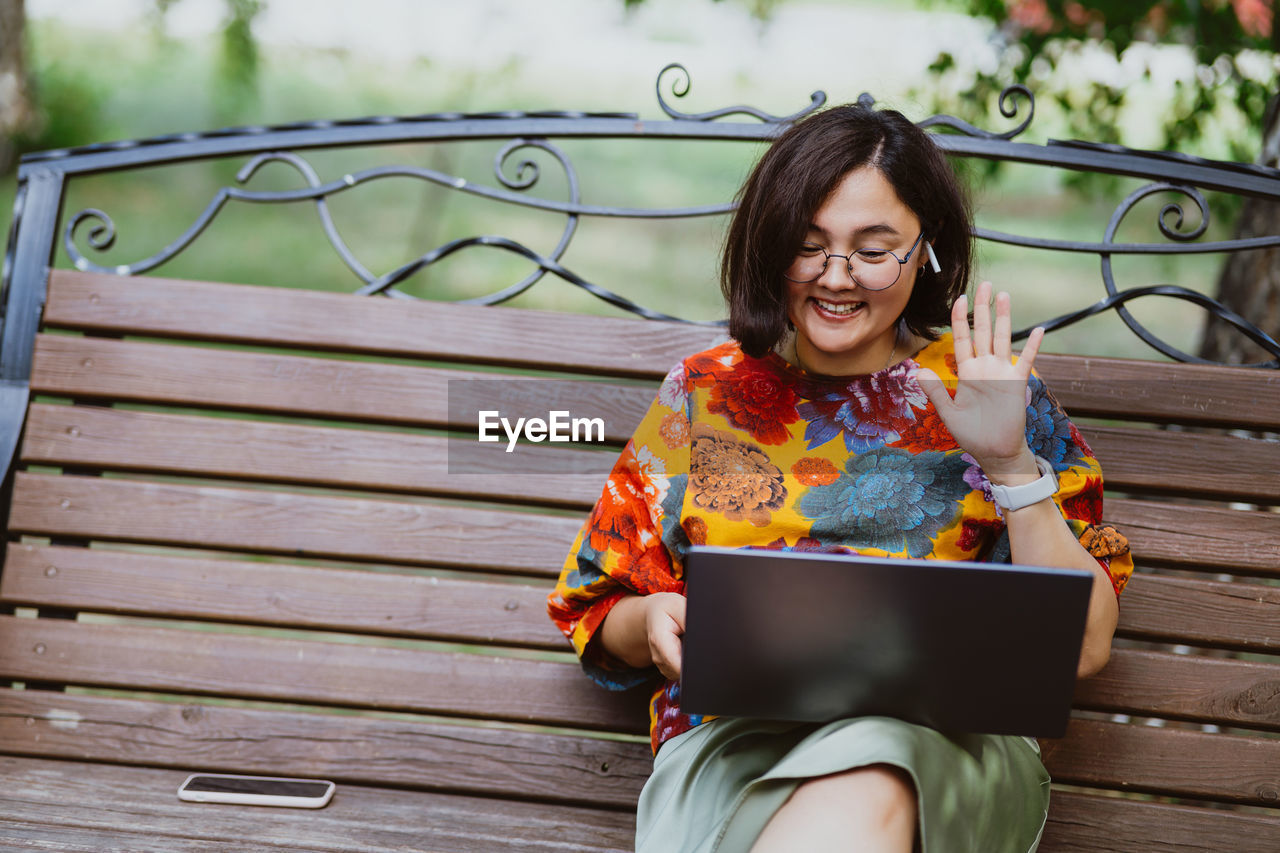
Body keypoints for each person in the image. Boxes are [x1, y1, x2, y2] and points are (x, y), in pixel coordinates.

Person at [547, 101, 1133, 853]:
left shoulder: (989, 392)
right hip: (736, 751)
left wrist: (1011, 465)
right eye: (808, 245)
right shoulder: (704, 393)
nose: (836, 277)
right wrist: (654, 619)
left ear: (927, 251)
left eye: (872, 249)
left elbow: (1081, 647)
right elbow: (599, 608)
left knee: (877, 766)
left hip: (945, 754)